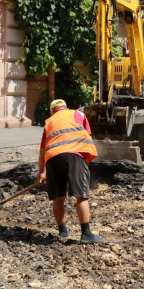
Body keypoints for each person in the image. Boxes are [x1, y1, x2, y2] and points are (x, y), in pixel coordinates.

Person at [38, 99, 104, 243]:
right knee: (81, 195)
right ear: (66, 107)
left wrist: (42, 173)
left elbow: (42, 151)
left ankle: (63, 231)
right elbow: (87, 135)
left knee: (58, 196)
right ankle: (86, 234)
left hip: (52, 158)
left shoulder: (48, 122)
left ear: (52, 111)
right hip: (74, 154)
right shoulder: (77, 114)